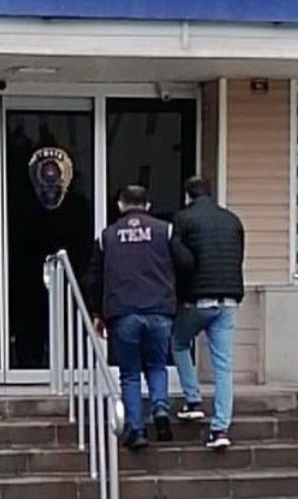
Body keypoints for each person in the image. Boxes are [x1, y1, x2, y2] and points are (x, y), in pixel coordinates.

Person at [85, 185, 188, 451]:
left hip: (123, 312)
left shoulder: (107, 236)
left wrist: (97, 312)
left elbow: (94, 278)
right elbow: (185, 264)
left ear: (120, 205)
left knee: (130, 373)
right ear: (148, 205)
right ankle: (161, 409)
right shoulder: (165, 231)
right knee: (157, 365)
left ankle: (136, 429)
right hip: (159, 310)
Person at [171, 176, 245, 450]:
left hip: (197, 298)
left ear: (188, 196)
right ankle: (220, 429)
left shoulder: (183, 219)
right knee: (223, 366)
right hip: (229, 298)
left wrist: (178, 292)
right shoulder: (232, 220)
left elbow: (181, 261)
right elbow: (238, 257)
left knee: (179, 342)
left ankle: (193, 400)